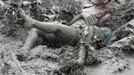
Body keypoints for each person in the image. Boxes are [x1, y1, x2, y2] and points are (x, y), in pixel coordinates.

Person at [17, 0, 113, 64]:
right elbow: (71, 22)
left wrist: (84, 16)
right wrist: (82, 14)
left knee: (57, 27)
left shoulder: (106, 13)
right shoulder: (88, 6)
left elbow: (94, 23)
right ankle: (24, 52)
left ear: (105, 1)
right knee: (36, 30)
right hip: (69, 31)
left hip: (79, 34)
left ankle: (32, 22)